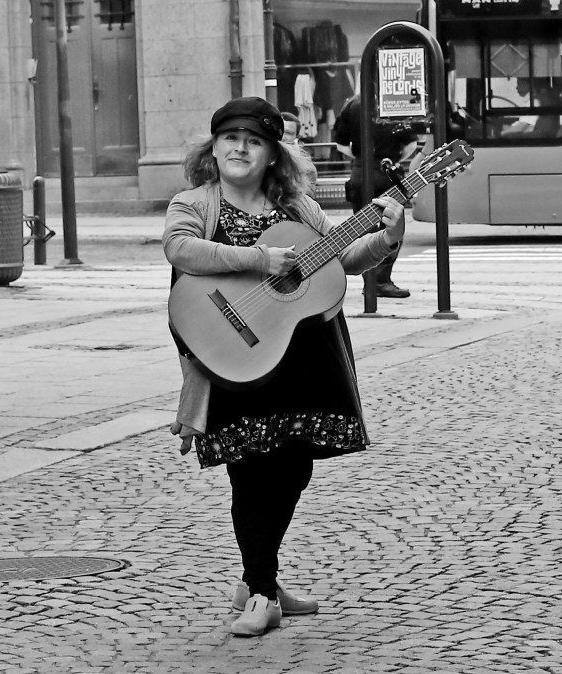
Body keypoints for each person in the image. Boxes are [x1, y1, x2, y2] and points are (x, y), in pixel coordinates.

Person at [163, 96, 405, 637]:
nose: (240, 147)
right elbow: (180, 250)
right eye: (230, 137)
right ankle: (264, 591)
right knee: (249, 473)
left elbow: (339, 256)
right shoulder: (194, 202)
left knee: (294, 467)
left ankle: (257, 582)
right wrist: (257, 259)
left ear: (273, 154)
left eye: (254, 140)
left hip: (298, 355)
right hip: (234, 356)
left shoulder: (298, 208)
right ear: (215, 146)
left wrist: (387, 237)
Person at [332, 96, 416, 298]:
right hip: (389, 170)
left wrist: (362, 159)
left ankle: (370, 282)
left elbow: (341, 145)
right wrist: (392, 158)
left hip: (361, 171)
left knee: (363, 227)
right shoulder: (394, 102)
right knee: (394, 225)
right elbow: (411, 145)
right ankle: (381, 280)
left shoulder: (351, 105)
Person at [280, 111, 318, 194]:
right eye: (280, 131)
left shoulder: (307, 168)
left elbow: (306, 199)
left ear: (296, 138)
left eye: (288, 133)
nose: (282, 137)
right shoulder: (260, 160)